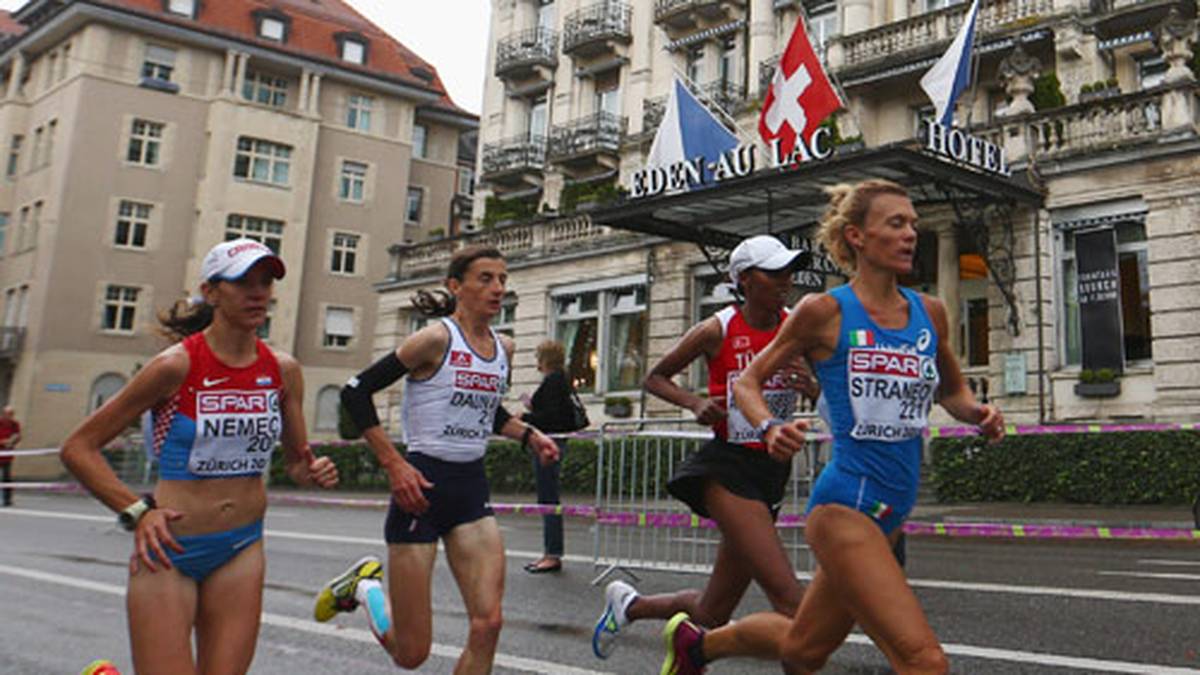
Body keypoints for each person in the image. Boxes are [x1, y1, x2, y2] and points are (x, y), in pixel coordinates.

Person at [659, 179, 1004, 675]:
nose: (910, 233)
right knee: (925, 662)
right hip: (845, 507)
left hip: (892, 511)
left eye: (913, 223)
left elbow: (951, 389)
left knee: (803, 649)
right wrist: (769, 426)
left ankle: (698, 646)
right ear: (857, 237)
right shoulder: (823, 311)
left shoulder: (930, 312)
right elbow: (748, 383)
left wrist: (976, 412)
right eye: (895, 223)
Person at [60, 238, 340, 674]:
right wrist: (137, 511)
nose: (258, 292)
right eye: (242, 282)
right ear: (211, 293)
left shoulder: (282, 370)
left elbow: (298, 463)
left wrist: (313, 470)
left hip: (242, 547)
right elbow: (78, 448)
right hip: (170, 551)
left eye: (265, 281)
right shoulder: (175, 366)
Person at [318, 245, 559, 674]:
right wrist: (395, 464)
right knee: (412, 654)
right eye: (485, 278)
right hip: (421, 490)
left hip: (470, 492)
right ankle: (367, 590)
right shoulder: (434, 339)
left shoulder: (504, 347)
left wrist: (530, 435)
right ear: (456, 286)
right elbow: (356, 391)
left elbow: (489, 412)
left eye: (502, 279)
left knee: (489, 623)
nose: (497, 288)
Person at [593, 235, 819, 669]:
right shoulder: (718, 328)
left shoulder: (798, 326)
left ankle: (630, 605)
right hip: (728, 468)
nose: (786, 280)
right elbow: (656, 378)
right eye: (774, 273)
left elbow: (829, 389)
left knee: (712, 612)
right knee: (794, 605)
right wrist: (695, 403)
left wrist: (812, 386)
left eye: (789, 271)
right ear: (745, 280)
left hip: (772, 472)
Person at [519, 339, 580, 574]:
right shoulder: (562, 379)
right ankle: (550, 552)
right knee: (548, 497)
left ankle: (552, 554)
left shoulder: (553, 381)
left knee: (548, 498)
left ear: (544, 358)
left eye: (538, 357)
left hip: (549, 443)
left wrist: (525, 418)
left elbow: (552, 418)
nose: (536, 363)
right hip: (554, 441)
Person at [0, 405, 21, 506]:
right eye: (7, 414)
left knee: (6, 478)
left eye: (11, 414)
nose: (9, 416)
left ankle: (7, 499)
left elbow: (18, 436)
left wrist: (13, 441)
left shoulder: (15, 424)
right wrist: (2, 442)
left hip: (7, 456)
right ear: (3, 414)